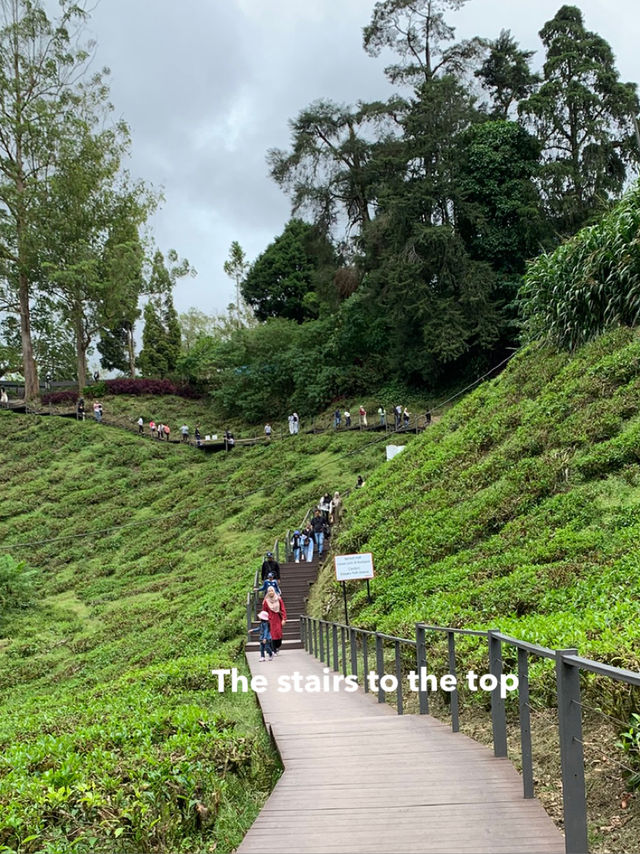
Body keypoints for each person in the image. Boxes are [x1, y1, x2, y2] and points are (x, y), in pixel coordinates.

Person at [263, 587, 286, 654]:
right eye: (269, 591)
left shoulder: (279, 599)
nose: (271, 592)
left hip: (278, 618)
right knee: (272, 635)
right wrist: (264, 620)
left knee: (278, 634)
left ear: (274, 591)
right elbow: (264, 612)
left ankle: (277, 646)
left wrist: (284, 619)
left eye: (272, 591)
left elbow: (283, 609)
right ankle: (273, 650)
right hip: (270, 620)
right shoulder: (266, 601)